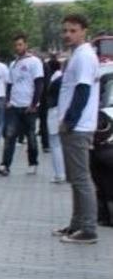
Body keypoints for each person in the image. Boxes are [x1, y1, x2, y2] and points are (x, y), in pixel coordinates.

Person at [54, 13, 100, 244]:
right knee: (76, 178)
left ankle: (88, 229)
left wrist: (70, 122)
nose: (68, 35)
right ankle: (76, 224)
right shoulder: (80, 55)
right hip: (77, 126)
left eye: (73, 30)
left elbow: (82, 92)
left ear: (84, 31)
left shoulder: (83, 56)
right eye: (65, 30)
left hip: (78, 127)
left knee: (81, 178)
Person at [0, 34, 44, 177]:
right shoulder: (13, 64)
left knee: (31, 136)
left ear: (26, 45)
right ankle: (5, 165)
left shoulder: (35, 62)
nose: (18, 47)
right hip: (14, 106)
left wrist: (34, 103)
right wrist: (8, 101)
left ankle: (33, 163)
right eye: (16, 45)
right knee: (10, 136)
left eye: (20, 44)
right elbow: (10, 84)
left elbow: (39, 83)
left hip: (29, 106)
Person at [44, 58, 66, 183]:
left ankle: (59, 173)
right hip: (58, 112)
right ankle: (62, 172)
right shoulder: (60, 78)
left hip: (54, 113)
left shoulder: (56, 80)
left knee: (55, 144)